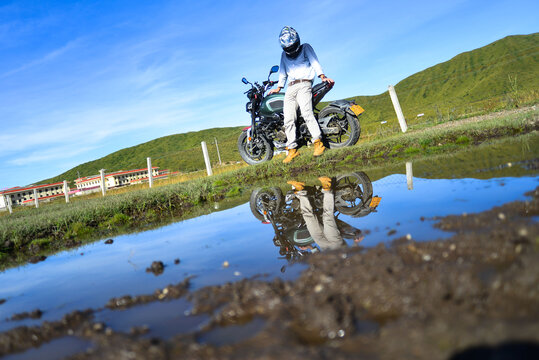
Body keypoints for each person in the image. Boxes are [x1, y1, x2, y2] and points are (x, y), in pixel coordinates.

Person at [267, 26, 335, 163]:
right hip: (290, 88)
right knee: (288, 119)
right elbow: (282, 73)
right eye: (287, 48)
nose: (290, 50)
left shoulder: (305, 48)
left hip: (304, 84)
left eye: (292, 46)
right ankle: (292, 150)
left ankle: (318, 143)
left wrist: (322, 76)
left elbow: (315, 62)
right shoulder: (283, 55)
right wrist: (279, 87)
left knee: (306, 112)